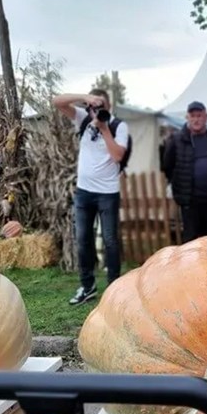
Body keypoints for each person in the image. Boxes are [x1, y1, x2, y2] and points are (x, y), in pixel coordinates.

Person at [53, 88, 129, 306]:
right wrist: (84, 98)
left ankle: (114, 287)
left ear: (110, 106)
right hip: (84, 192)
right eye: (96, 106)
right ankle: (88, 287)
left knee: (110, 240)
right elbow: (57, 102)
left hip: (108, 193)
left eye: (103, 106)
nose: (99, 110)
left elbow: (117, 156)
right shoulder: (83, 118)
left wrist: (104, 129)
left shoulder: (117, 126)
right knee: (83, 240)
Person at [163, 101, 207, 242]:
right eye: (193, 116)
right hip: (190, 200)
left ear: (206, 117)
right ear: (187, 118)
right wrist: (178, 187)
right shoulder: (177, 138)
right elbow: (167, 165)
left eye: (199, 115)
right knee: (191, 239)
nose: (196, 119)